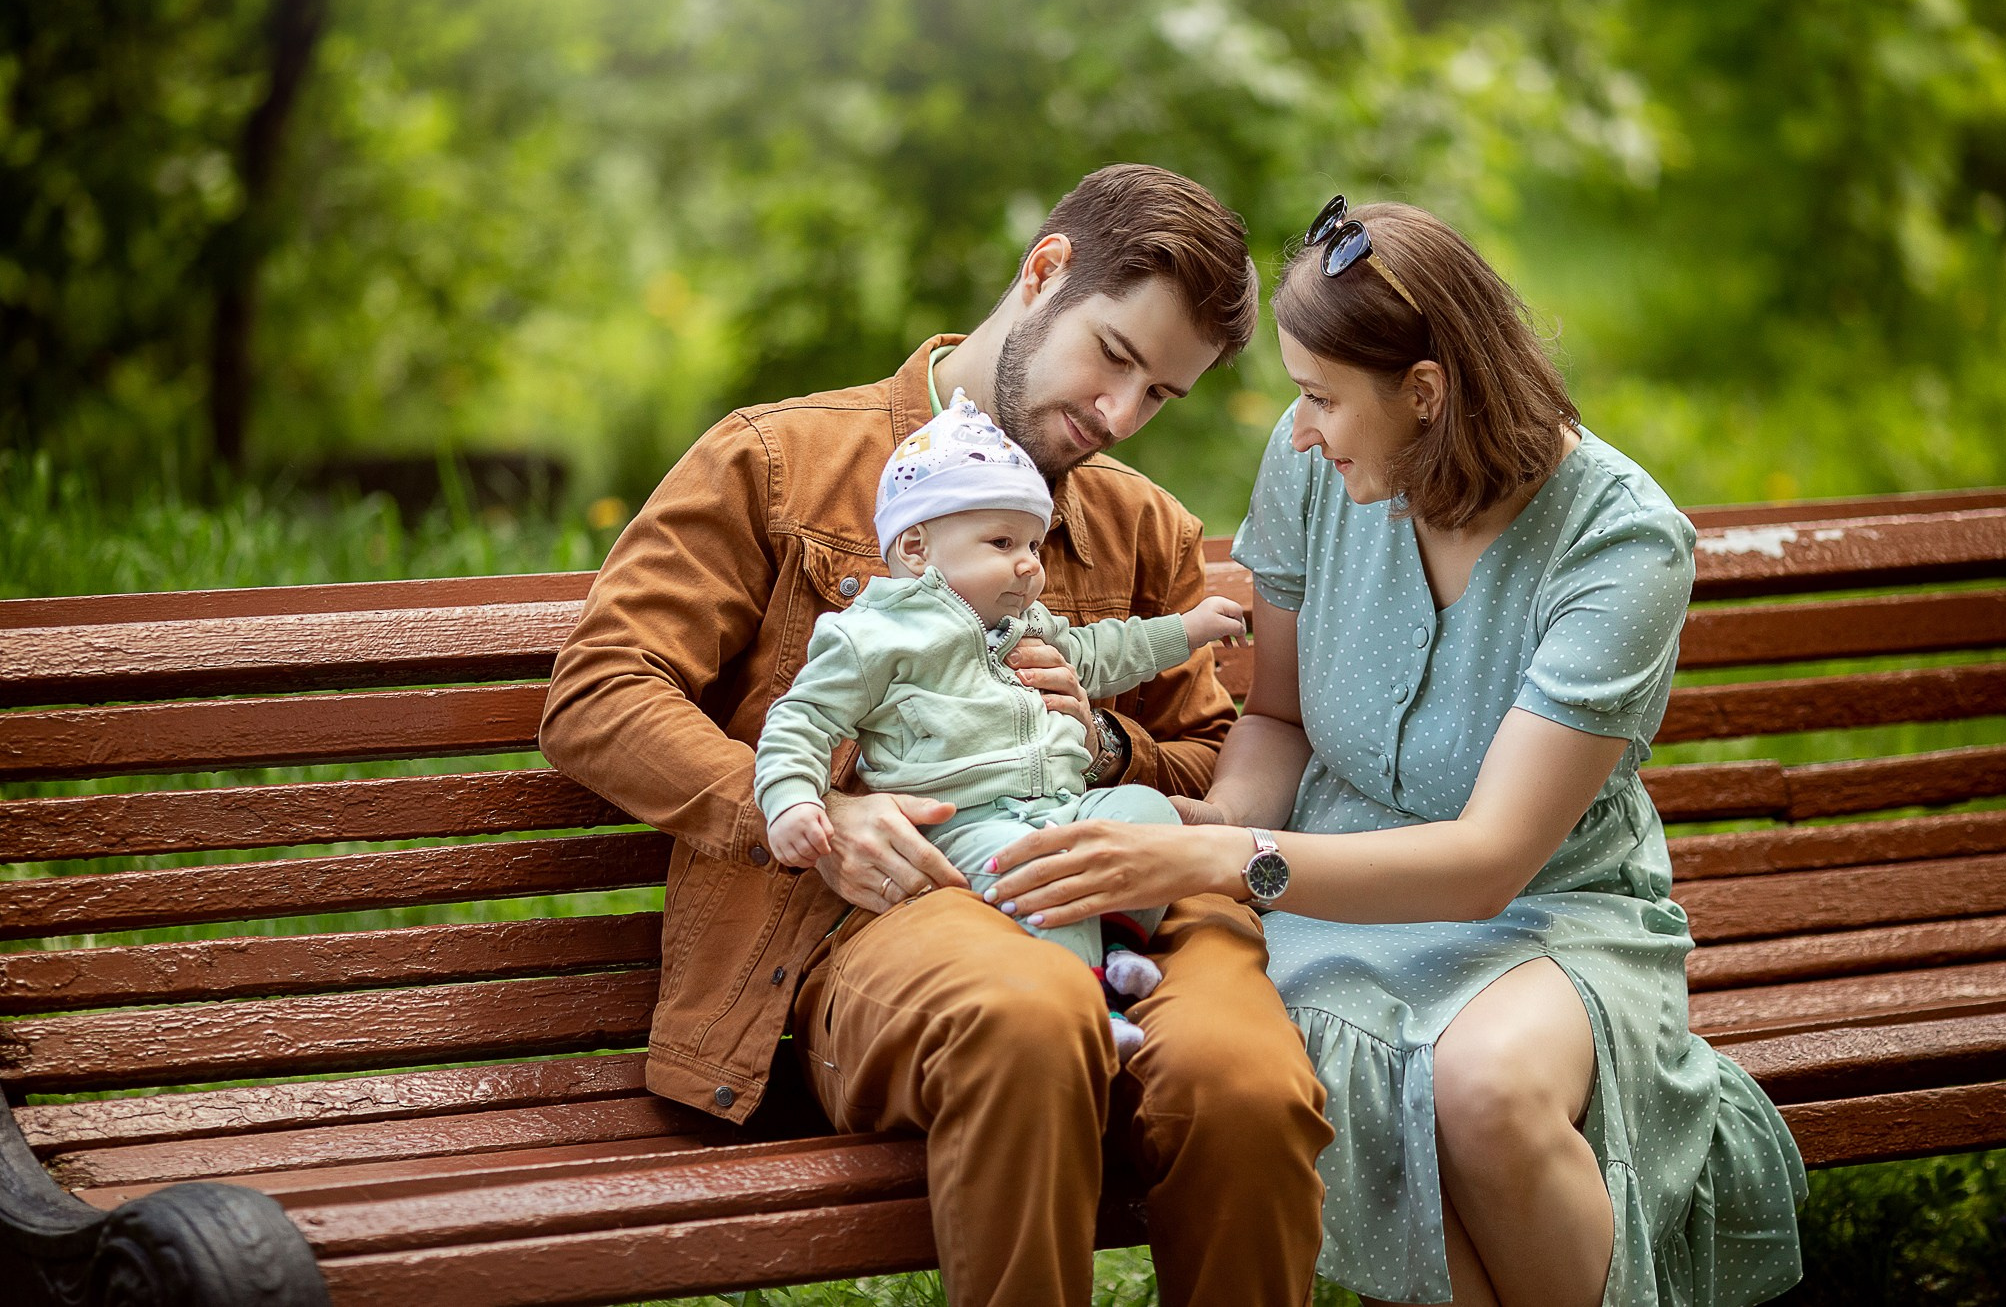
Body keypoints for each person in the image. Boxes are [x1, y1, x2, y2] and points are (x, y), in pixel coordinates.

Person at [984, 197, 1808, 1307]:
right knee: (1315, 1066)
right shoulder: (1311, 462)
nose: (1301, 428)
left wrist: (1224, 862)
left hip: (1550, 916)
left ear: (1423, 392)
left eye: (1322, 396)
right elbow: (1274, 723)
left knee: (1481, 1088)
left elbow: (1487, 863)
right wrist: (1200, 831)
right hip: (1322, 903)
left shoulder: (1618, 542)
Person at [538, 164, 1332, 1307]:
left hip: (1132, 898)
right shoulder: (781, 462)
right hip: (879, 923)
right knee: (1028, 1012)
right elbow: (601, 688)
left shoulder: (1140, 524)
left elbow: (1212, 762)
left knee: (1246, 1081)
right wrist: (800, 814)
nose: (1116, 415)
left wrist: (1108, 748)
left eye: (1159, 395)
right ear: (1044, 270)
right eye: (1111, 356)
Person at [756, 391, 1251, 1059]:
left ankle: (1117, 949)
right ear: (916, 546)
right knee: (1047, 883)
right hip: (966, 826)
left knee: (1148, 815)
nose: (1029, 564)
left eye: (1033, 544)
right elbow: (801, 718)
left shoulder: (1022, 629)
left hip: (1062, 806)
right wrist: (789, 798)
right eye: (1002, 542)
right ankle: (1090, 1005)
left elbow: (1107, 650)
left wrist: (1187, 631)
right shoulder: (871, 637)